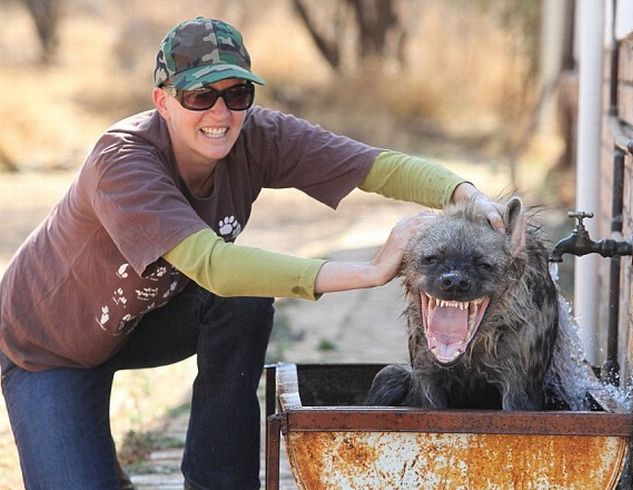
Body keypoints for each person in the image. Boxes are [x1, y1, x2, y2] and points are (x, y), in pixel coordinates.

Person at [0, 17, 511, 490]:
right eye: (199, 96)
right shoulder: (124, 162)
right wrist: (371, 270)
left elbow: (376, 166)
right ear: (162, 100)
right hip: (49, 346)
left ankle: (218, 483)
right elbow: (216, 268)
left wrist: (466, 193)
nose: (220, 113)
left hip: (139, 323)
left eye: (236, 92)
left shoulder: (256, 135)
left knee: (245, 302)